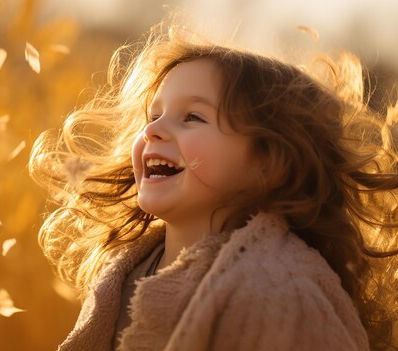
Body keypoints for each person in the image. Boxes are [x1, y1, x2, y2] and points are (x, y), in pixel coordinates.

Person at [29, 19, 398, 351]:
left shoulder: (283, 292)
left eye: (192, 116)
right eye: (154, 115)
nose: (152, 130)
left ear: (269, 165)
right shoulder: (125, 272)